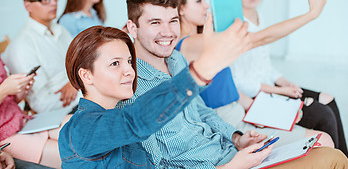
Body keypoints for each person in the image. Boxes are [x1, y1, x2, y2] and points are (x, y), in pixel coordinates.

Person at [120, 0, 348, 168]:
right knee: (331, 156)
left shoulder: (176, 60)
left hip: (231, 149)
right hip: (226, 163)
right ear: (132, 28)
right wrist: (312, 14)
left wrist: (237, 138)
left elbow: (202, 112)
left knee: (328, 149)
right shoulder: (131, 87)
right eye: (155, 22)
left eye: (172, 22)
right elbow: (157, 163)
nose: (167, 31)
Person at [58, 23, 264, 168]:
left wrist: (235, 148)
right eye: (115, 64)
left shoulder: (121, 112)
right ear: (86, 76)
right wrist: (202, 69)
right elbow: (135, 121)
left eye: (129, 61)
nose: (129, 70)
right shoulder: (80, 128)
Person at [171, 0, 334, 148]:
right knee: (323, 139)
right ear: (180, 8)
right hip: (230, 125)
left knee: (320, 116)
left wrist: (265, 110)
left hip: (240, 111)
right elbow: (262, 38)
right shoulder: (189, 44)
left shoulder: (204, 42)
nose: (206, 6)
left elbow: (226, 90)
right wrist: (311, 14)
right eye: (199, 1)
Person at [225, 0, 348, 159]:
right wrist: (280, 91)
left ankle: (343, 161)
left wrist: (283, 81)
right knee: (323, 114)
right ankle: (333, 161)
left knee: (328, 99)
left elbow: (265, 66)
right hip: (255, 95)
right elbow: (239, 82)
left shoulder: (259, 18)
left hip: (270, 87)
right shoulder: (233, 26)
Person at [2, 0, 80, 113]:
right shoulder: (22, 45)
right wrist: (83, 88)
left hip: (82, 89)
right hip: (65, 108)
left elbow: (82, 61)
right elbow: (41, 103)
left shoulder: (59, 29)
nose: (53, 3)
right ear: (28, 5)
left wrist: (75, 83)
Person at [0, 56, 70, 168]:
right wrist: (4, 90)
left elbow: (8, 103)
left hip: (22, 121)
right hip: (5, 136)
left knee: (83, 126)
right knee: (76, 154)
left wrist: (20, 91)